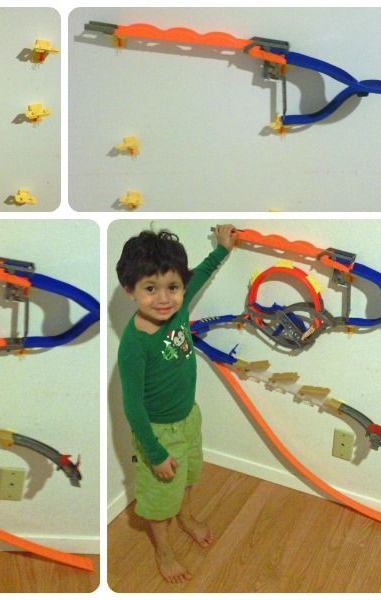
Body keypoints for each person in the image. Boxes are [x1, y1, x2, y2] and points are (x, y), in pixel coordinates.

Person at [116, 224, 237, 583]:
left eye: (172, 287)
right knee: (159, 497)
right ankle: (164, 550)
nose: (164, 298)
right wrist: (153, 452)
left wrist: (223, 249)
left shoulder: (178, 310)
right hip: (157, 432)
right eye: (150, 289)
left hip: (188, 417)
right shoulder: (135, 344)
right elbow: (133, 406)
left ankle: (185, 516)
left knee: (187, 476)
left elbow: (199, 274)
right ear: (130, 290)